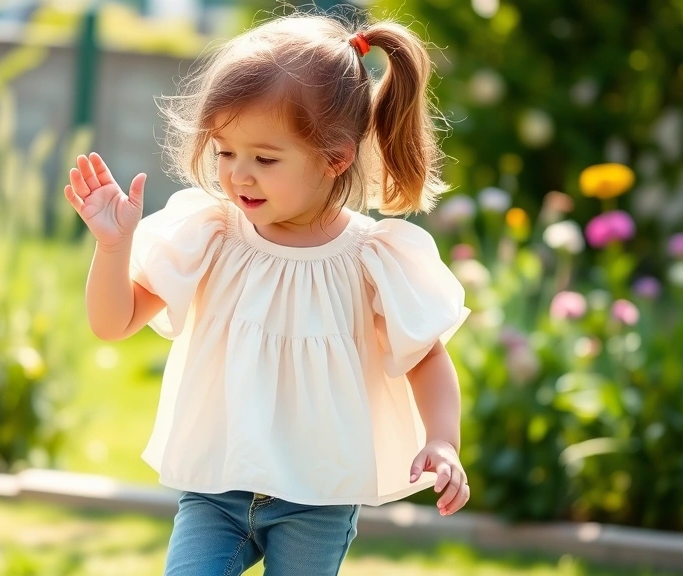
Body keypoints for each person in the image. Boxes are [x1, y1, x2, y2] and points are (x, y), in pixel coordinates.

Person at [64, 10, 471, 576]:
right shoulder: (211, 233)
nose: (238, 175)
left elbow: (426, 355)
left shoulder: (371, 258)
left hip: (318, 500)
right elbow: (114, 322)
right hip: (217, 489)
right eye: (225, 152)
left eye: (265, 158)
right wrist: (114, 247)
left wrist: (443, 441)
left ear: (336, 157)